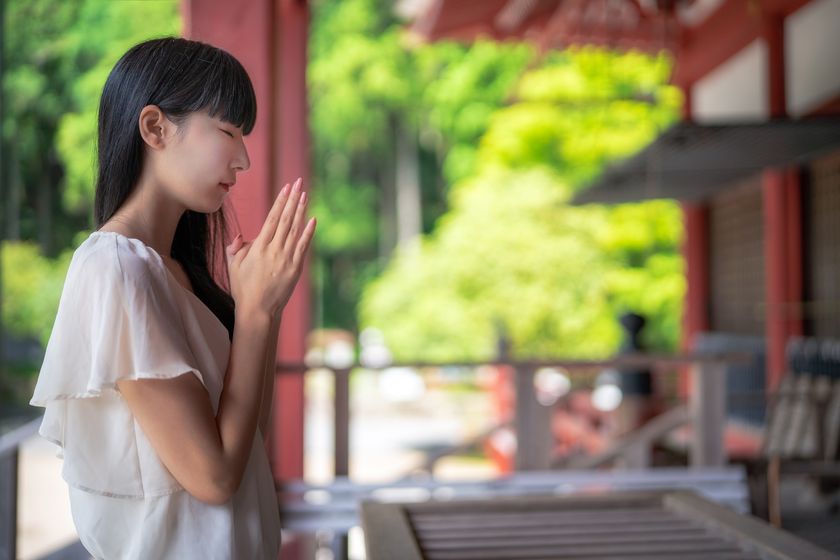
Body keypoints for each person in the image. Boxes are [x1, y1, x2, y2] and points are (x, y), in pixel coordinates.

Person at [28, 36, 316, 559]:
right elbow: (214, 478)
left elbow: (245, 443)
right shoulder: (114, 267)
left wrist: (263, 310)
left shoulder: (171, 270)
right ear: (155, 127)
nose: (245, 158)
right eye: (228, 131)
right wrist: (254, 314)